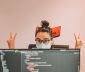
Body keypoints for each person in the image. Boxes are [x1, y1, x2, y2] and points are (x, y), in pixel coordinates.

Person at [7, 20, 83, 49]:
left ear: (52, 41)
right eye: (38, 40)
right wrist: (11, 49)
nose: (41, 44)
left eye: (46, 40)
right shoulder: (28, 57)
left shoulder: (60, 57)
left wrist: (77, 49)